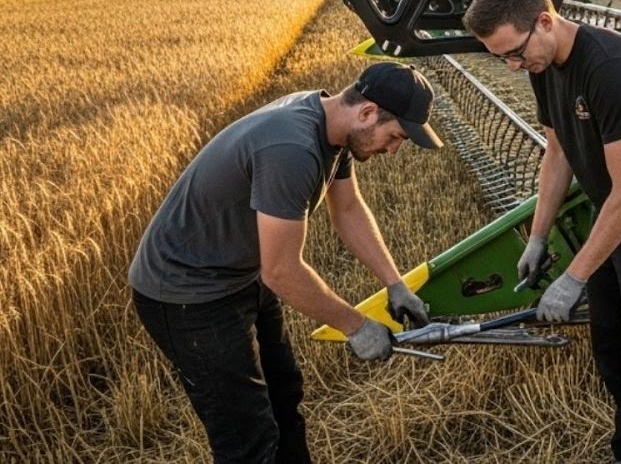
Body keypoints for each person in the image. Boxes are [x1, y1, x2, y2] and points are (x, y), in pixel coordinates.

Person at [128, 62, 443, 463]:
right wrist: (357, 327)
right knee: (247, 437)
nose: (394, 149)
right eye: (395, 136)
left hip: (240, 274)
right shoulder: (292, 149)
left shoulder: (334, 128)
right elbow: (282, 272)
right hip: (187, 293)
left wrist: (395, 284)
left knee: (284, 392)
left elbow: (347, 210)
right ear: (367, 112)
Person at [464, 0, 621, 464]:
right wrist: (537, 236)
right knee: (611, 354)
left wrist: (573, 277)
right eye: (499, 57)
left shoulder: (608, 68)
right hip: (610, 209)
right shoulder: (542, 63)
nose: (511, 66)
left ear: (545, 22)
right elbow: (558, 151)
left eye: (513, 52)